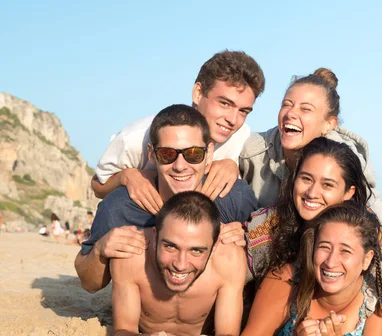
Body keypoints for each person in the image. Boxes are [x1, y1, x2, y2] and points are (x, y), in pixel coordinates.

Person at [242, 138, 382, 336]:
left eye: (327, 185)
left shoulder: (368, 230)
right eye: (306, 179)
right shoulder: (267, 227)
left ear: (349, 193)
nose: (312, 192)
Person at [74, 104, 256, 293]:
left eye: (193, 154)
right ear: (152, 155)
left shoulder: (234, 197)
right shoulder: (119, 207)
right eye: (167, 154)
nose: (180, 166)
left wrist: (247, 240)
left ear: (208, 154)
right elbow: (89, 284)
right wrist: (100, 251)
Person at [92, 50, 265, 213]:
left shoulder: (241, 139)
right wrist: (126, 176)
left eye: (243, 111)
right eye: (225, 104)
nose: (233, 120)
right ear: (198, 93)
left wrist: (232, 165)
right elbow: (98, 186)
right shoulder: (137, 137)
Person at [239, 202, 382, 336]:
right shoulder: (287, 278)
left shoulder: (377, 287)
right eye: (324, 247)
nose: (330, 262)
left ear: (366, 259)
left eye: (345, 251)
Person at [111, 191, 246, 336]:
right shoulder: (131, 256)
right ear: (154, 236)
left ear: (213, 248)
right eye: (170, 246)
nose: (180, 265)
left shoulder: (230, 259)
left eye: (196, 251)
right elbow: (121, 332)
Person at [239, 68, 382, 220]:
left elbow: (374, 208)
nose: (291, 114)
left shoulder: (345, 159)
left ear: (329, 124)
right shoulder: (251, 150)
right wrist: (228, 162)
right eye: (287, 104)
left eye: (305, 109)